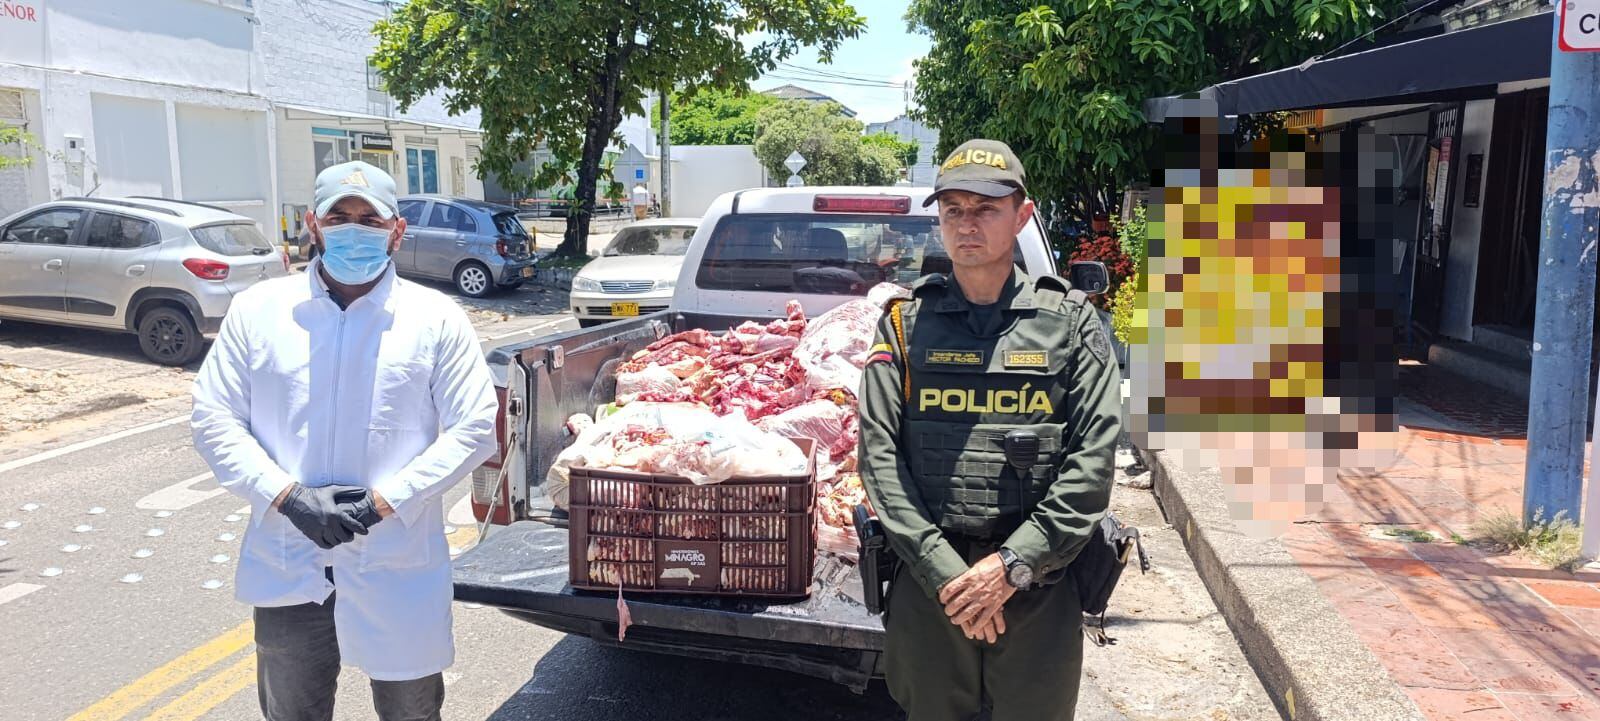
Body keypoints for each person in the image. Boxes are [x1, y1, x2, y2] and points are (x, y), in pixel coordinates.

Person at [191, 160, 499, 721]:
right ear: (313, 224)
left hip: (396, 559)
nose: (354, 228)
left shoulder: (435, 318)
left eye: (370, 219)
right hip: (290, 558)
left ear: (397, 232)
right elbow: (213, 417)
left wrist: (384, 503)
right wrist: (288, 498)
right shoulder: (258, 312)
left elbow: (475, 425)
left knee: (411, 711)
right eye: (340, 217)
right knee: (292, 713)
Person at [858, 139, 1122, 721]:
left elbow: (1093, 460)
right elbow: (879, 458)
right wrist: (945, 573)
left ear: (1022, 215)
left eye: (985, 209)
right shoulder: (904, 326)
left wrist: (1010, 566)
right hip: (933, 589)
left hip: (1038, 587)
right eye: (953, 210)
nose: (967, 224)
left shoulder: (1072, 323)